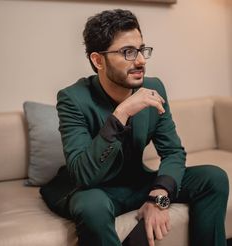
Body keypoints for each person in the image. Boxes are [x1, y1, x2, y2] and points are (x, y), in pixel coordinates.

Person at [40, 9, 229, 246]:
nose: (140, 60)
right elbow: (83, 174)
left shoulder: (153, 88)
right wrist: (121, 114)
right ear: (98, 60)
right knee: (92, 207)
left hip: (135, 183)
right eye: (128, 52)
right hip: (95, 190)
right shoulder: (73, 98)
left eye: (141, 49)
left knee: (213, 177)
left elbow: (172, 152)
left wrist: (158, 198)